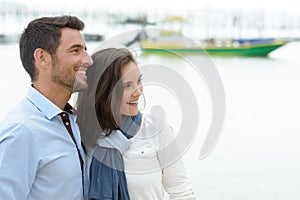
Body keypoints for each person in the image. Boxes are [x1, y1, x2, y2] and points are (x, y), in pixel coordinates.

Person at [76, 48, 196, 199]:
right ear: (104, 91)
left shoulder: (155, 128)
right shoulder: (79, 134)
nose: (138, 91)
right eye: (127, 85)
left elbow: (182, 192)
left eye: (139, 80)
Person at [0, 15, 93, 199]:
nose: (88, 60)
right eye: (75, 51)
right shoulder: (21, 131)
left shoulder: (69, 119)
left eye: (85, 50)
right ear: (42, 58)